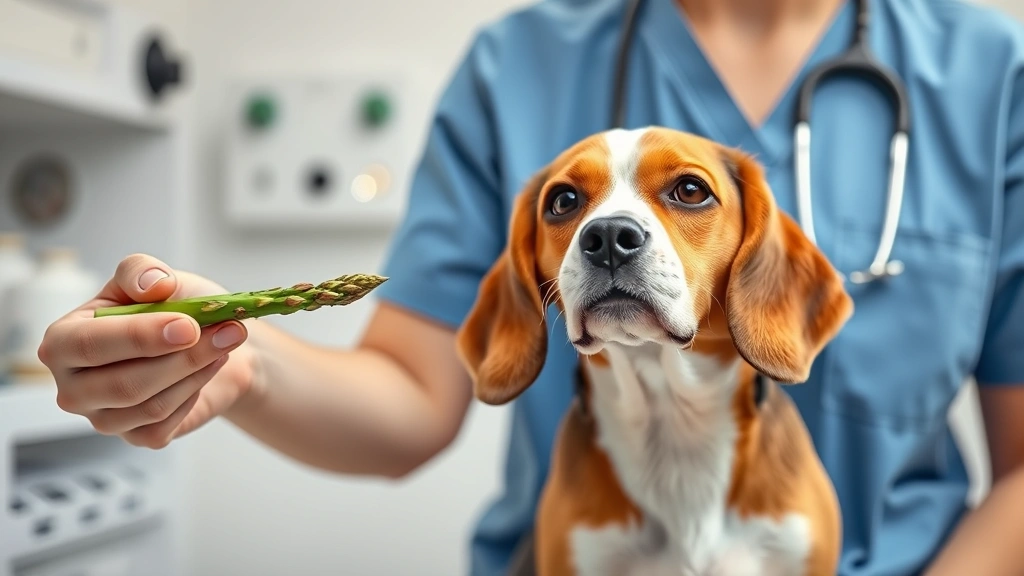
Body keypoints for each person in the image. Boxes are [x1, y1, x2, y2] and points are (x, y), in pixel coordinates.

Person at [37, 0, 1024, 573]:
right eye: (569, 211)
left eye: (684, 195)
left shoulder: (989, 72)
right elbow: (414, 395)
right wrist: (232, 359)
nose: (607, 233)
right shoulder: (520, 63)